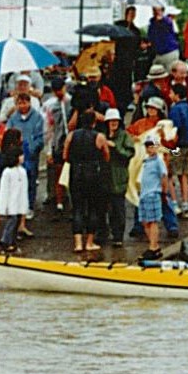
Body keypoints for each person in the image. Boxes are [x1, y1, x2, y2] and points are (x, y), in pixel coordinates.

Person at [63, 110, 110, 254]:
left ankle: (78, 243)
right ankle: (89, 242)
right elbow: (106, 156)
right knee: (92, 208)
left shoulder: (71, 135)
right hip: (92, 173)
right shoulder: (99, 137)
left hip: (76, 172)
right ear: (94, 122)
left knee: (77, 208)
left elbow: (65, 155)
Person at [6, 92, 44, 222]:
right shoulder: (13, 118)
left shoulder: (37, 117)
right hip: (15, 155)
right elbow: (8, 134)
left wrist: (31, 149)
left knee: (30, 181)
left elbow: (40, 138)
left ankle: (29, 206)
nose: (22, 106)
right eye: (19, 103)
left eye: (24, 102)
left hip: (30, 156)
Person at [136, 134, 172, 262]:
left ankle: (153, 247)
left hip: (153, 193)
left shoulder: (158, 161)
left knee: (153, 221)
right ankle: (153, 245)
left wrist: (163, 192)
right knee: (145, 221)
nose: (149, 148)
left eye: (152, 146)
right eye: (147, 146)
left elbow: (164, 176)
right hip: (144, 194)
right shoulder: (146, 161)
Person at [0, 128, 30, 250]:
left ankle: (12, 241)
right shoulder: (7, 172)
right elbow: (4, 191)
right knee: (11, 222)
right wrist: (3, 207)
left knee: (16, 222)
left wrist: (24, 206)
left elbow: (24, 190)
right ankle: (6, 240)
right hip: (11, 203)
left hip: (19, 203)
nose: (22, 158)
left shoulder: (22, 171)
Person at [166, 91, 188, 213]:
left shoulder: (175, 110)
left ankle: (174, 203)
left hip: (178, 146)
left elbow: (174, 129)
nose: (170, 95)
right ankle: (185, 203)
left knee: (170, 174)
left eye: (172, 92)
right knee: (185, 175)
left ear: (176, 95)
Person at [102, 108, 132, 244]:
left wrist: (115, 147)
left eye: (115, 121)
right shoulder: (102, 135)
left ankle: (118, 236)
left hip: (119, 176)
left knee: (118, 208)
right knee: (104, 207)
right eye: (111, 121)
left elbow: (129, 153)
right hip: (104, 177)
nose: (113, 123)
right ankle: (104, 233)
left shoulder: (124, 136)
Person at [42, 81, 71, 210]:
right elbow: (49, 128)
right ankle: (57, 200)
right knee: (58, 171)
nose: (60, 92)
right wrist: (48, 150)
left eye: (61, 89)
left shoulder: (71, 102)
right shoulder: (49, 105)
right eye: (57, 90)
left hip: (71, 141)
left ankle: (70, 198)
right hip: (57, 142)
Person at [111, 5, 142, 112]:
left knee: (127, 81)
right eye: (130, 13)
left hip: (128, 59)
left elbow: (137, 44)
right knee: (116, 80)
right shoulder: (119, 26)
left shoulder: (135, 30)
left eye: (134, 14)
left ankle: (126, 102)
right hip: (118, 58)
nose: (132, 16)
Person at [148, 5, 181, 71]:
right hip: (158, 54)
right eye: (154, 10)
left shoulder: (168, 21)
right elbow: (150, 37)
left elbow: (169, 26)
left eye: (158, 10)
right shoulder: (152, 24)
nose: (156, 12)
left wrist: (162, 19)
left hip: (169, 52)